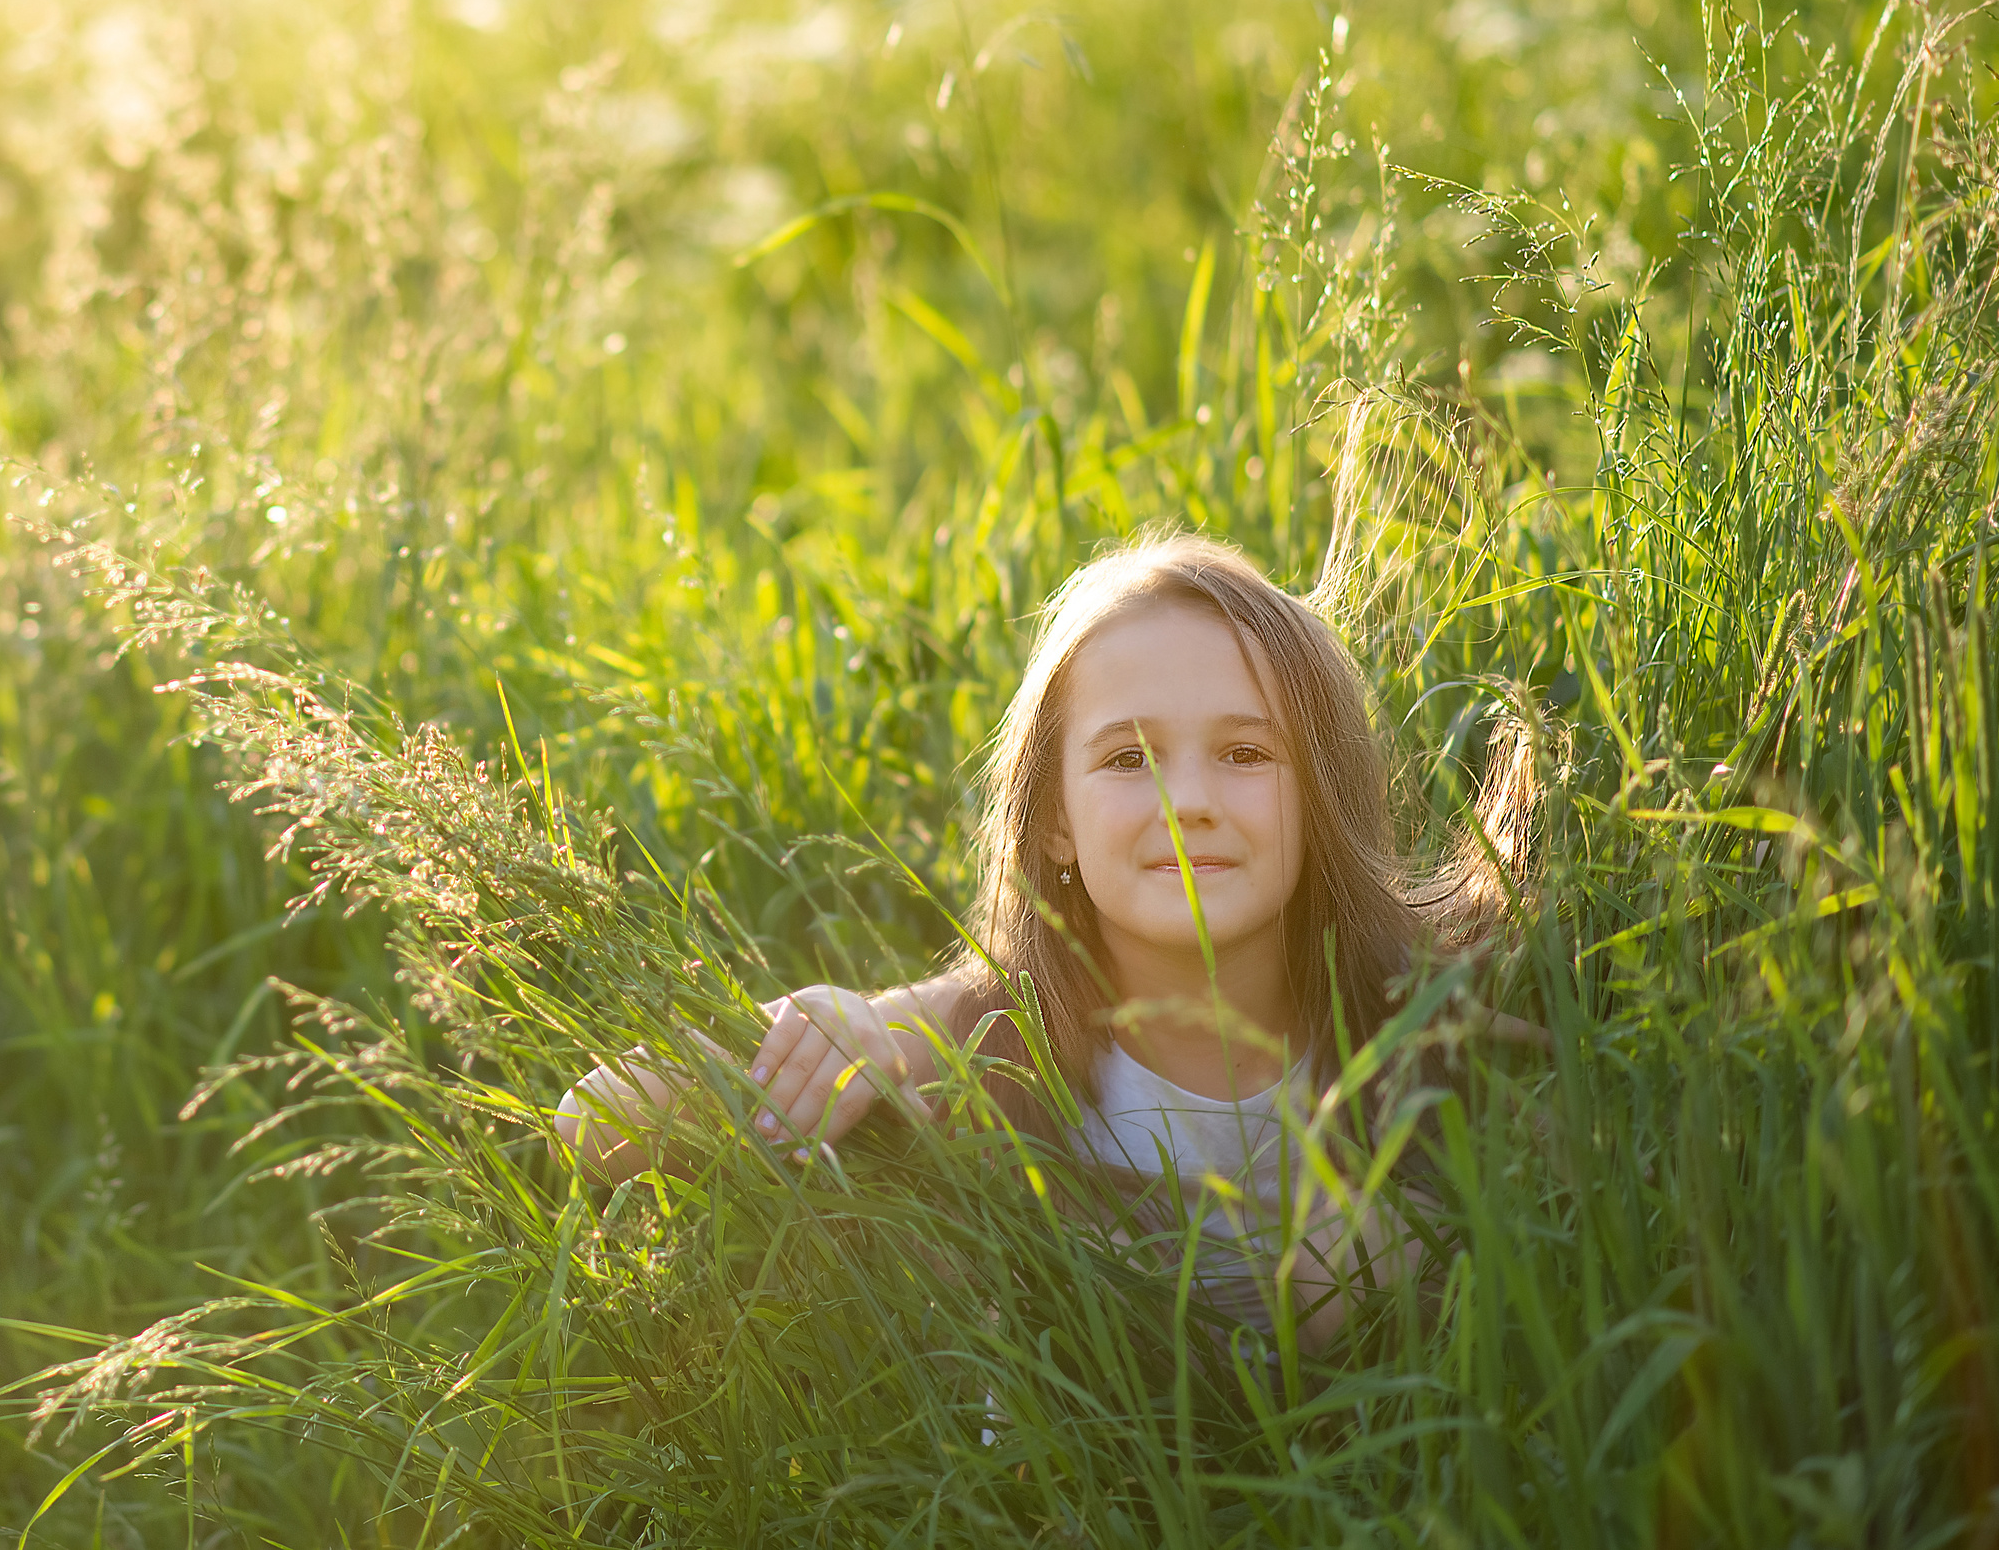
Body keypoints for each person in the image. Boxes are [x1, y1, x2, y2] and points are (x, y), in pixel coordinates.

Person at [554, 530, 1542, 1341]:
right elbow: (593, 1118)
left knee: (1353, 1263)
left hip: (1382, 1482)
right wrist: (845, 1031)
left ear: (1319, 792)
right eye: (1127, 757)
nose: (1188, 798)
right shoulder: (991, 1034)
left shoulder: (1424, 1023)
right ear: (1057, 818)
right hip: (1072, 1491)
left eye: (1245, 751)